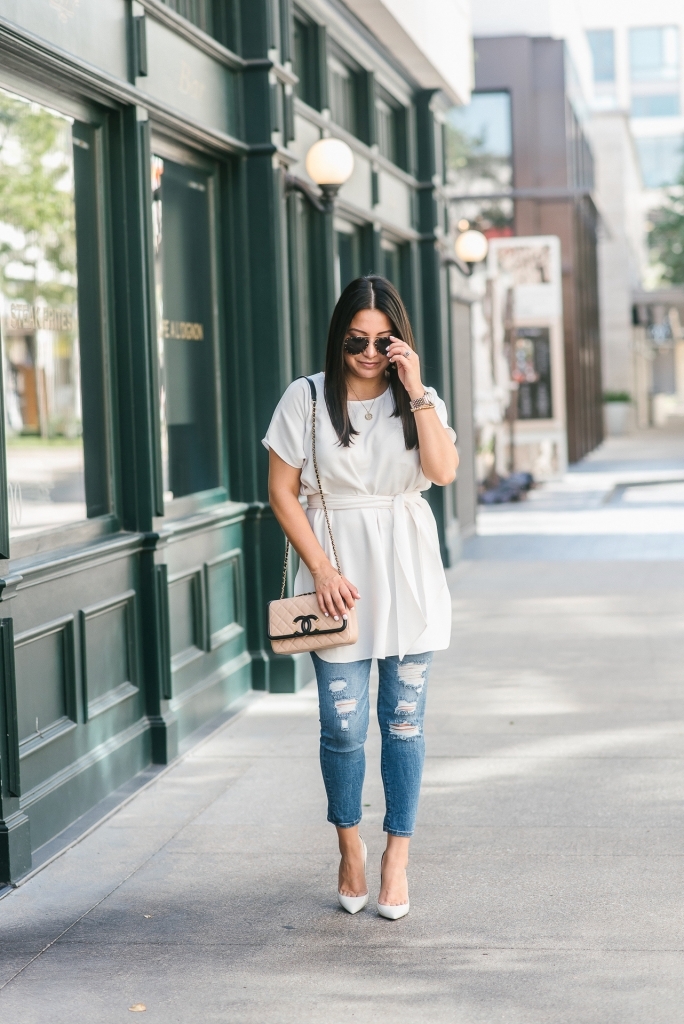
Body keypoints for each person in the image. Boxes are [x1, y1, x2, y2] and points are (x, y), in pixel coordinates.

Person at [263, 275, 458, 919]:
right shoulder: (307, 398)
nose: (370, 352)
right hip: (336, 573)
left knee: (403, 724)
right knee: (342, 723)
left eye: (384, 340)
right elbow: (282, 493)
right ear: (338, 335)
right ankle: (349, 844)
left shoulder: (417, 400)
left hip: (407, 570)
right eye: (357, 339)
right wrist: (319, 568)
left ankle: (396, 855)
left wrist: (418, 388)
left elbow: (443, 471)